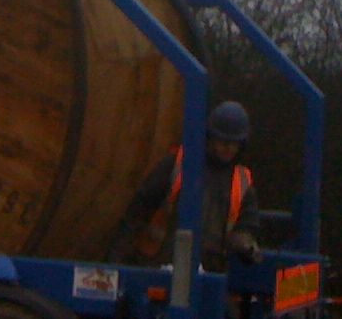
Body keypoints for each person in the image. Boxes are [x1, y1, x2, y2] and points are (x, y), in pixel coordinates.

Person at [109, 100, 260, 271]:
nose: (229, 148)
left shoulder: (243, 182)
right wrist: (117, 261)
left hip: (208, 272)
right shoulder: (177, 165)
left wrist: (245, 243)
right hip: (157, 266)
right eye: (223, 141)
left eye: (234, 143)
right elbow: (138, 211)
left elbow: (248, 225)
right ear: (210, 138)